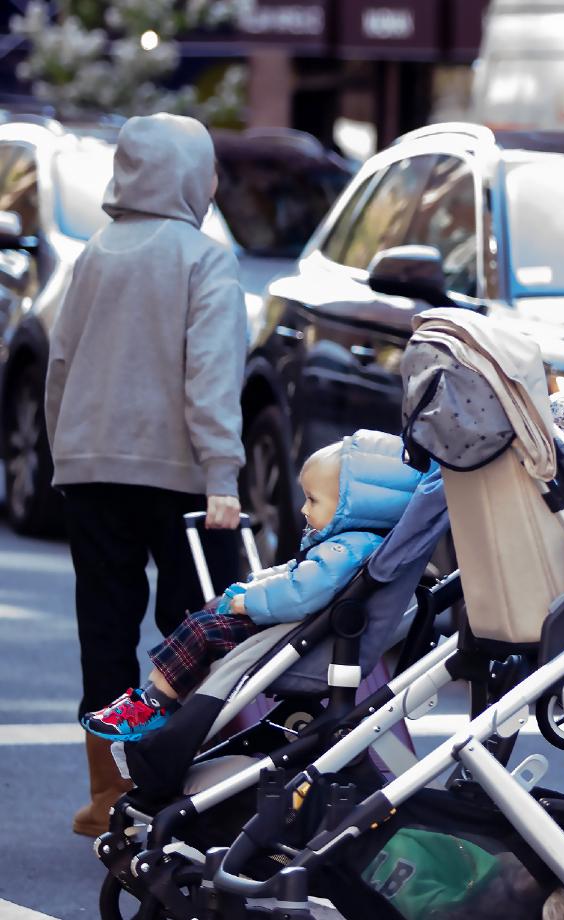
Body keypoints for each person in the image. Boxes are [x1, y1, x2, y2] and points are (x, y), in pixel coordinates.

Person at [45, 113, 247, 836]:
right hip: (184, 476)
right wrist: (222, 474)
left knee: (104, 629)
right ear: (191, 176)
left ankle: (108, 792)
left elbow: (60, 367)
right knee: (194, 629)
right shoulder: (204, 258)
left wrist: (64, 453)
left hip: (91, 470)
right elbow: (212, 375)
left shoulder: (94, 254)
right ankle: (180, 784)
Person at [79, 431, 423, 742]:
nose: (303, 509)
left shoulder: (346, 549)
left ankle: (153, 704)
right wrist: (258, 583)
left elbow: (303, 592)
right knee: (205, 622)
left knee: (202, 630)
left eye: (313, 500)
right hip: (295, 632)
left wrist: (252, 601)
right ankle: (152, 699)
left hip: (292, 635)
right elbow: (298, 576)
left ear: (353, 505)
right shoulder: (350, 544)